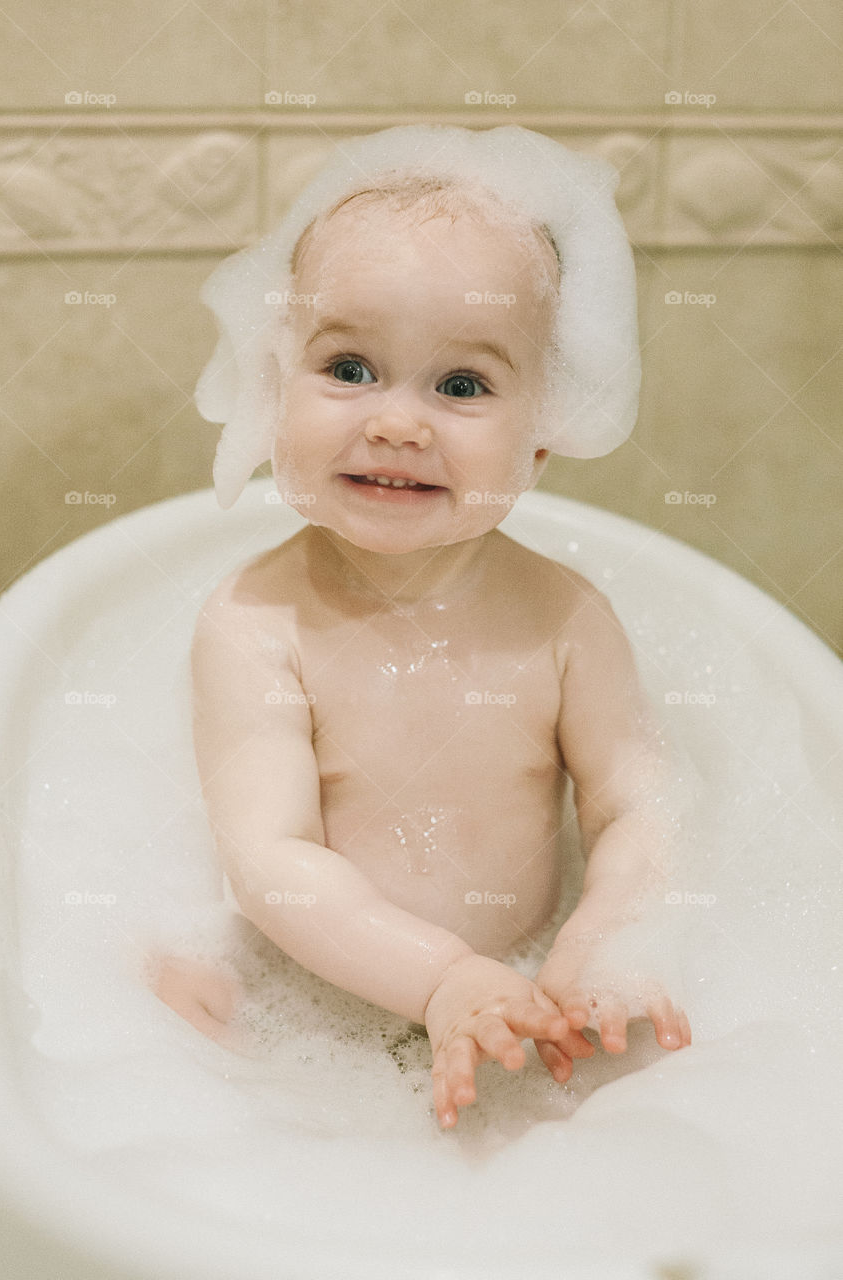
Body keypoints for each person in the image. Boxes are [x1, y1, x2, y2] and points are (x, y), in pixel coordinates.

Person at [152, 125, 692, 1130]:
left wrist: (599, 948)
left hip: (535, 987)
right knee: (168, 1001)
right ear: (274, 392)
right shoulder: (256, 625)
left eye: (461, 386)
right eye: (349, 366)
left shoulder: (568, 619)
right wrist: (445, 977)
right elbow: (271, 860)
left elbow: (636, 804)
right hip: (317, 997)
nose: (398, 422)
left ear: (542, 439)